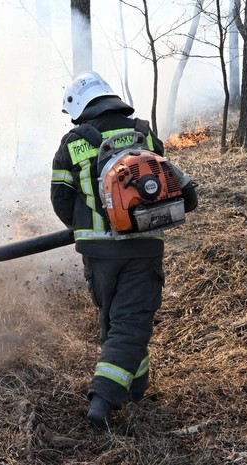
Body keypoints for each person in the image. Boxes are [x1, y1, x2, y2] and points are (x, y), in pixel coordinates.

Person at [50, 70, 197, 427]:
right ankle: (103, 398)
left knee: (118, 319)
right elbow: (169, 182)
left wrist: (87, 228)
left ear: (80, 109)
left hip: (97, 252)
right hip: (144, 244)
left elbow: (60, 201)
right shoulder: (143, 132)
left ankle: (135, 387)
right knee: (131, 322)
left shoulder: (72, 143)